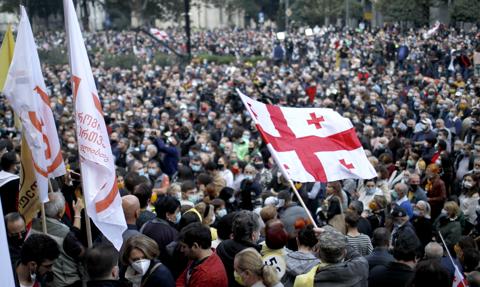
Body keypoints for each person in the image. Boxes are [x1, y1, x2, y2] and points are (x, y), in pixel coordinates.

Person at [30, 191, 82, 287]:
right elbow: (78, 252)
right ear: (60, 212)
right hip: (66, 281)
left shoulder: (32, 225)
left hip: (46, 282)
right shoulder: (64, 232)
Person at [294, 227, 368, 286]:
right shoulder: (361, 267)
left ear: (318, 253)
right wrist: (330, 234)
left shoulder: (304, 281)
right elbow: (355, 254)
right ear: (344, 253)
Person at [217, 210, 261, 287]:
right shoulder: (254, 257)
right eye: (258, 231)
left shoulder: (222, 246)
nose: (260, 234)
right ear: (253, 235)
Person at [176, 222, 228, 287]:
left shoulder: (207, 277)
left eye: (184, 246)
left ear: (195, 246)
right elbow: (182, 278)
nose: (181, 250)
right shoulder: (195, 257)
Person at [140, 195, 180, 264]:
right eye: (177, 212)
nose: (178, 215)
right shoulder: (172, 233)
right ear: (167, 214)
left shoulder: (146, 224)